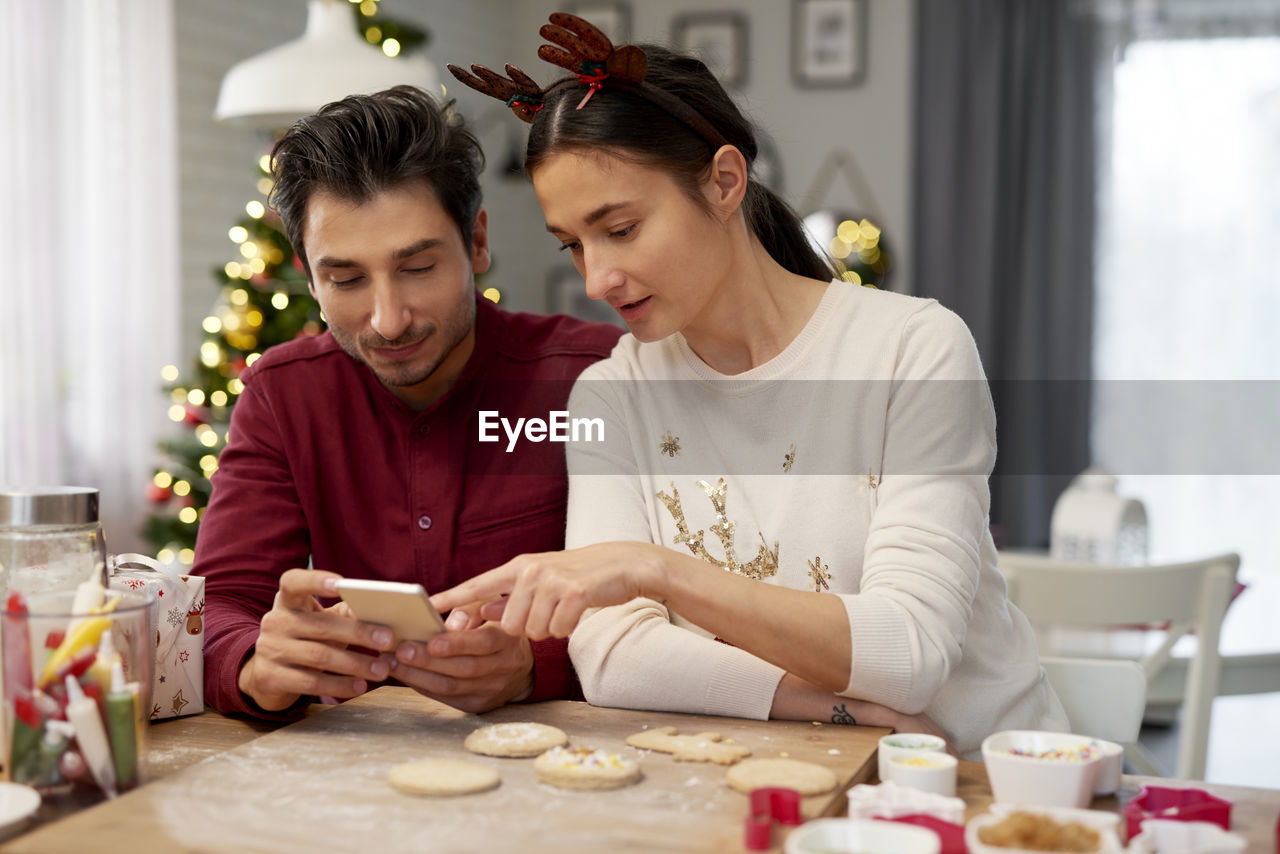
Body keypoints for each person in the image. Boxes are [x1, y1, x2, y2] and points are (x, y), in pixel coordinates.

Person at [436, 15, 1067, 755]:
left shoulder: (912, 349)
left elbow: (910, 653)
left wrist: (659, 573)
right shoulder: (612, 395)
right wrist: (827, 708)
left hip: (988, 781)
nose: (596, 279)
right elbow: (611, 657)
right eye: (574, 244)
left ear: (725, 181)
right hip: (787, 768)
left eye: (622, 228)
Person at [196, 85, 622, 719]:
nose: (389, 321)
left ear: (476, 243)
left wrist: (539, 664)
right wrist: (258, 662)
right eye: (345, 279)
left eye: (418, 268)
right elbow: (221, 607)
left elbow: (680, 601)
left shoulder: (599, 379)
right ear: (308, 277)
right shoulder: (283, 397)